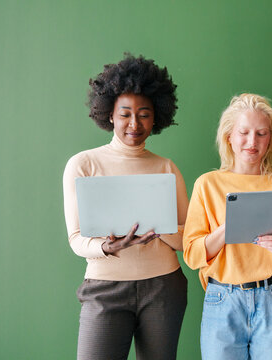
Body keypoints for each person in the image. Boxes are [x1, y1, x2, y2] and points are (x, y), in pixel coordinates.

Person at [62, 54, 188, 360]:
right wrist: (109, 246)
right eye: (125, 114)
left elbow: (187, 239)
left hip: (163, 287)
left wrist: (160, 231)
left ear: (156, 116)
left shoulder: (165, 167)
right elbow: (77, 239)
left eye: (144, 114)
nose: (135, 124)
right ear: (110, 116)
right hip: (105, 288)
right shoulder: (84, 164)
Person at [183, 93, 272, 360]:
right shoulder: (207, 184)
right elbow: (192, 255)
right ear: (229, 136)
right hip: (222, 298)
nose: (253, 142)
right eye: (244, 132)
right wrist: (226, 230)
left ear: (271, 138)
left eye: (262, 134)